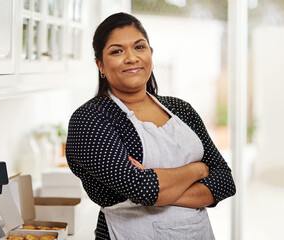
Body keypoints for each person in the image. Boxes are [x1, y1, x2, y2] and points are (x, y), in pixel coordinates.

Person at [66, 12, 236, 240]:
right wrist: (198, 170)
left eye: (139, 47)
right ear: (101, 65)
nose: (131, 58)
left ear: (150, 54)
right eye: (117, 51)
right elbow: (143, 190)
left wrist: (160, 188)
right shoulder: (90, 120)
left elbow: (225, 181)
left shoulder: (181, 109)